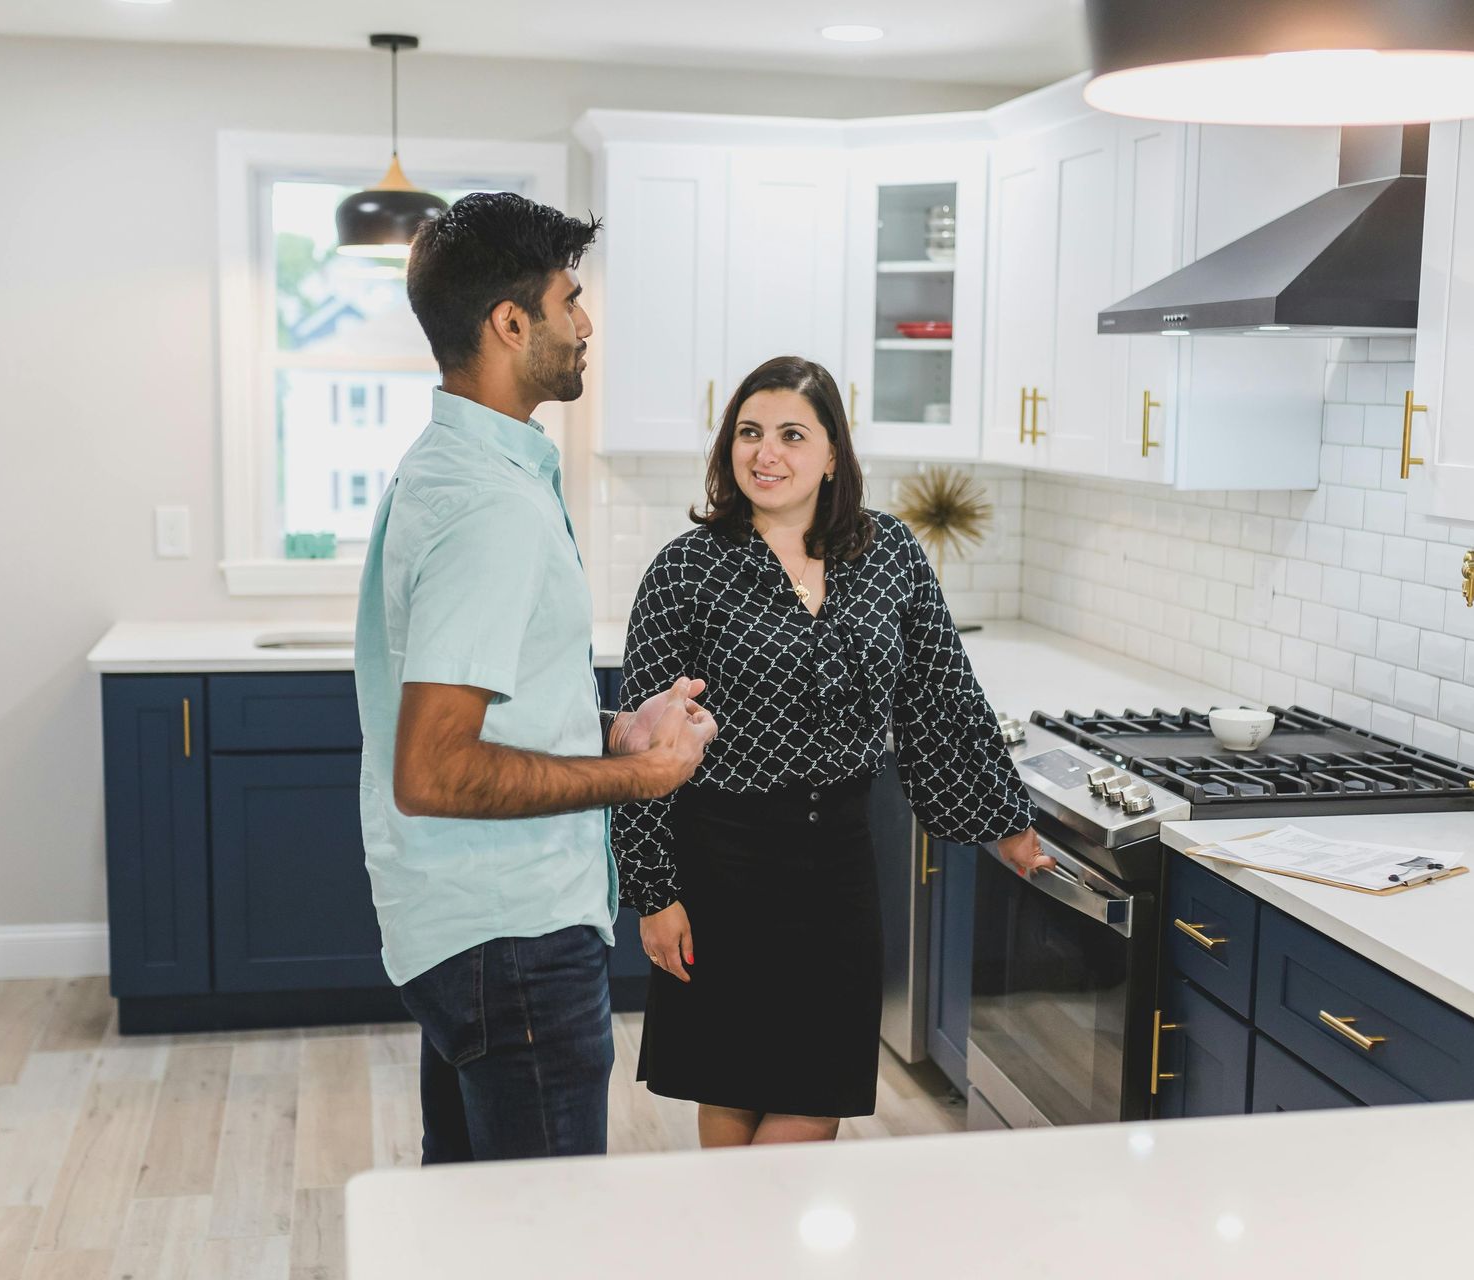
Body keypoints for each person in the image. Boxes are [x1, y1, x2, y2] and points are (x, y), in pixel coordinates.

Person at [354, 192, 717, 1163]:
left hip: (467, 929)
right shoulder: (489, 507)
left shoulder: (455, 471)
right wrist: (641, 778)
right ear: (512, 323)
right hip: (510, 935)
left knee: (472, 1214)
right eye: (571, 297)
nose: (585, 323)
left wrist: (612, 730)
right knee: (546, 1237)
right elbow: (433, 768)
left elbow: (486, 711)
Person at [614, 354, 1052, 1147]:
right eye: (749, 433)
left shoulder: (889, 556)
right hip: (722, 866)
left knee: (816, 1097)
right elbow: (637, 751)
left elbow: (942, 697)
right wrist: (653, 892)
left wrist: (1005, 819)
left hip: (839, 869)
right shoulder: (686, 570)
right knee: (731, 1086)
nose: (765, 453)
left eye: (790, 434)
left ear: (831, 455)